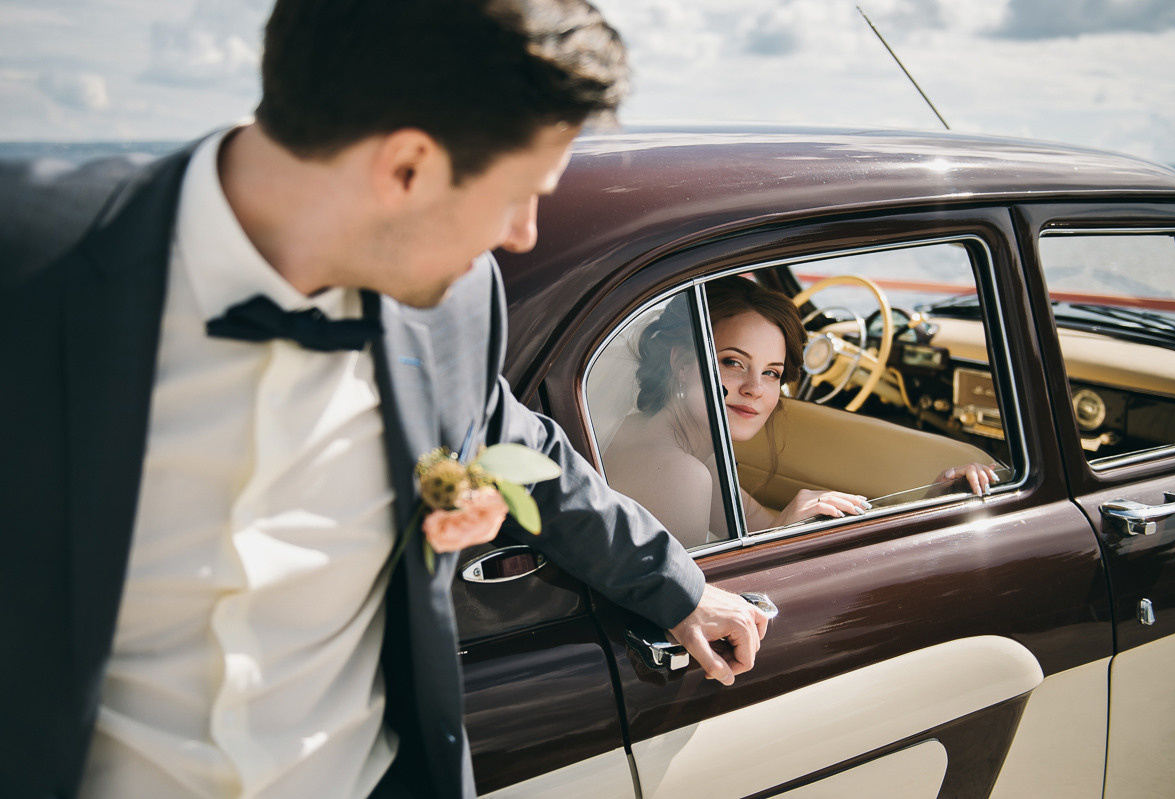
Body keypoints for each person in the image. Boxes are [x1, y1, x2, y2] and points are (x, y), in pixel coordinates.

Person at [0, 2, 768, 798]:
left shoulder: (458, 308)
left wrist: (676, 586)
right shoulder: (24, 272)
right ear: (406, 168)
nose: (523, 234)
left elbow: (526, 451)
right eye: (519, 195)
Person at [604, 276, 1000, 545]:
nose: (754, 389)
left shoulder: (683, 447)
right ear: (680, 362)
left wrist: (931, 501)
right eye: (732, 362)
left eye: (771, 372)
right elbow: (694, 611)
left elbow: (758, 528)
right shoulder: (678, 471)